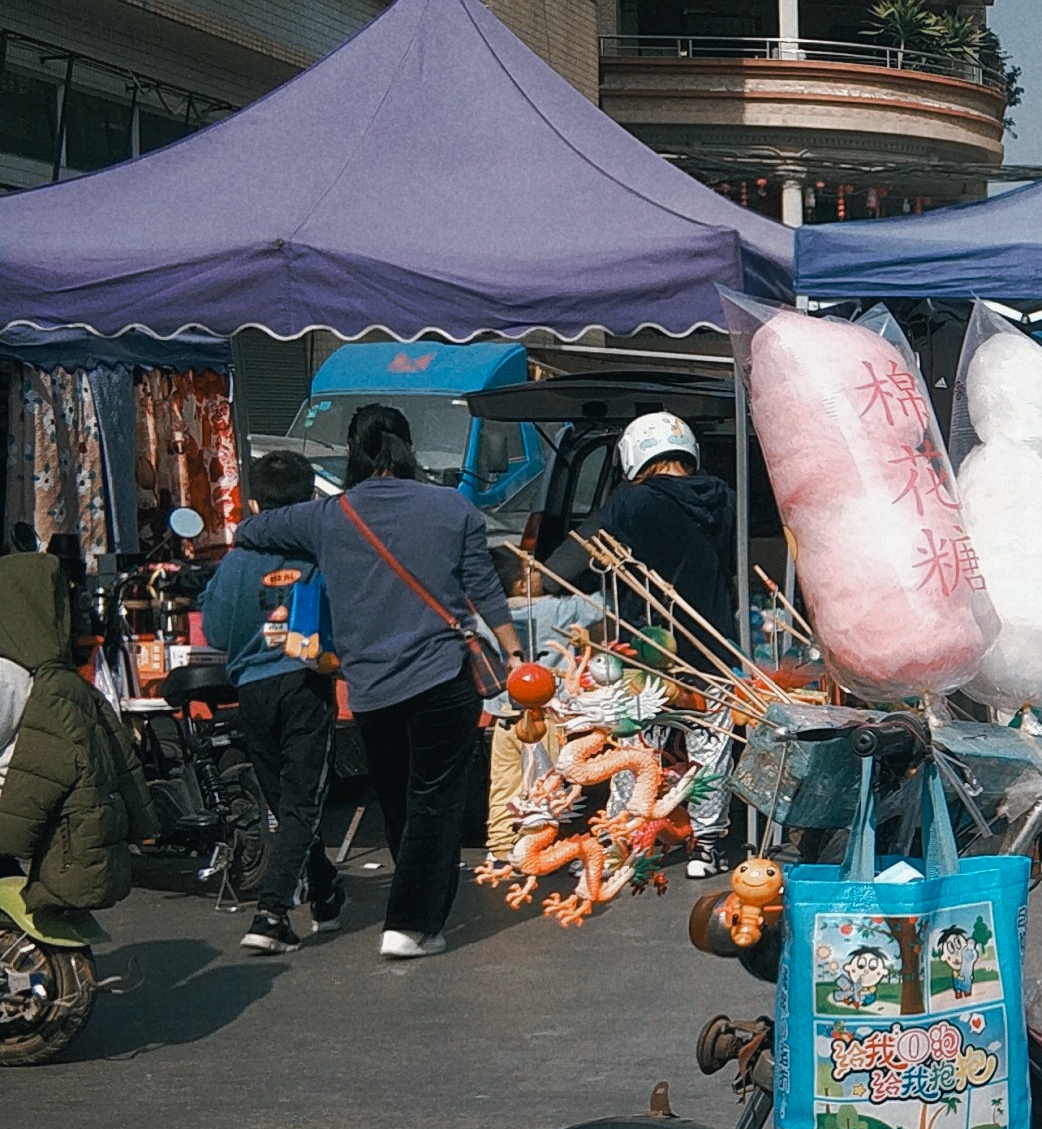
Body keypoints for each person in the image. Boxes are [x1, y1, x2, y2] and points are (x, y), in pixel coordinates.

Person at [234, 402, 517, 962]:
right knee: (435, 802)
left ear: (354, 450)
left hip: (369, 688)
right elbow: (484, 587)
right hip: (441, 678)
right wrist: (512, 653)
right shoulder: (452, 506)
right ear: (407, 445)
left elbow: (250, 530)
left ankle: (411, 917)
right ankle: (411, 925)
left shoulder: (327, 517)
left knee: (398, 801)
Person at [546, 411, 738, 872]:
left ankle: (625, 840)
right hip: (712, 646)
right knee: (710, 747)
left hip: (647, 651)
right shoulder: (724, 498)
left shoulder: (630, 503)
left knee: (636, 749)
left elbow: (563, 569)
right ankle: (708, 844)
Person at [199, 450, 346, 952]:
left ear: (253, 501)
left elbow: (217, 631)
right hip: (305, 683)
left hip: (251, 690)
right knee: (302, 801)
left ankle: (324, 890)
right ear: (309, 499)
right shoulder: (318, 553)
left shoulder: (234, 563)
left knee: (285, 803)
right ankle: (271, 914)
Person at [0, 553, 158, 916]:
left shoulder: (8, 674)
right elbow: (124, 764)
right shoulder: (65, 680)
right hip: (72, 830)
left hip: (19, 814)